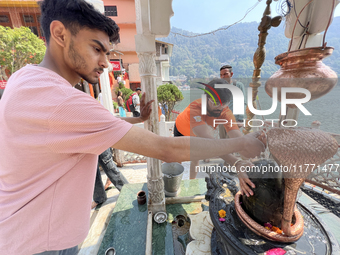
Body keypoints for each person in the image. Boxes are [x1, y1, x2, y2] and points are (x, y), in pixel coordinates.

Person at [0, 1, 264, 254]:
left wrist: (139, 120)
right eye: (96, 49)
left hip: (25, 229)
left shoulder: (26, 77)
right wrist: (241, 145)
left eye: (107, 52)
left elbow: (100, 122)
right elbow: (167, 148)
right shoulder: (62, 100)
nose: (105, 63)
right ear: (60, 34)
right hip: (39, 242)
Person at [174, 78, 253, 180]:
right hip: (181, 130)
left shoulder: (225, 111)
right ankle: (176, 182)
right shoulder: (195, 108)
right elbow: (209, 141)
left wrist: (249, 161)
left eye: (224, 103)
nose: (219, 108)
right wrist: (236, 162)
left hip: (197, 134)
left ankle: (191, 183)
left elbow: (238, 138)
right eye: (215, 103)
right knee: (176, 159)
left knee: (195, 159)